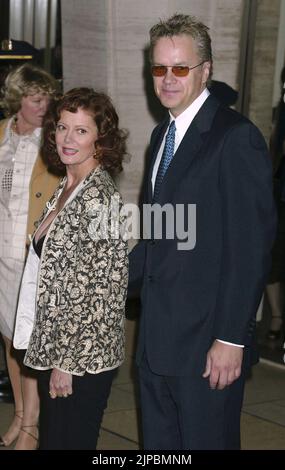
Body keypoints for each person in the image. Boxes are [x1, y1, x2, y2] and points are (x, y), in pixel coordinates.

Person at [128, 13, 276, 450]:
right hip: (156, 340)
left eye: (180, 68)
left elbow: (250, 249)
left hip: (207, 345)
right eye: (159, 68)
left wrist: (232, 336)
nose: (168, 79)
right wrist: (101, 280)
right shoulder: (161, 137)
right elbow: (157, 237)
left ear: (206, 70)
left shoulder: (236, 138)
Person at [13, 87, 129, 450]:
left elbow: (106, 293)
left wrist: (67, 363)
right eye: (63, 127)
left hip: (80, 361)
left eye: (81, 130)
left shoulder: (101, 198)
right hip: (57, 349)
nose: (67, 138)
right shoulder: (68, 184)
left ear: (100, 139)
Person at [0, 63, 60, 449]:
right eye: (36, 99)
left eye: (48, 99)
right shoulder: (1, 135)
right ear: (17, 99)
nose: (44, 106)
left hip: (33, 255)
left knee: (30, 343)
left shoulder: (54, 140)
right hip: (2, 255)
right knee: (9, 340)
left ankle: (32, 427)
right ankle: (20, 414)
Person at [265, 66, 285, 340]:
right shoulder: (281, 111)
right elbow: (275, 150)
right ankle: (277, 315)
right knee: (272, 258)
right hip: (280, 193)